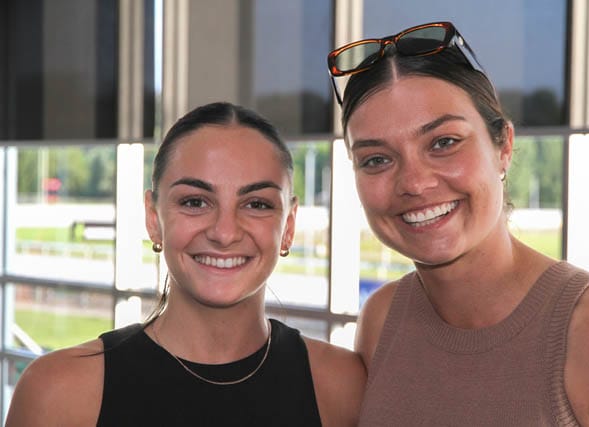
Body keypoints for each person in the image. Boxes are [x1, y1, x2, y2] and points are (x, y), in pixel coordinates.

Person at [327, 21, 589, 426]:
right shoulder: (383, 318)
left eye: (444, 143)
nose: (415, 183)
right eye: (376, 159)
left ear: (503, 146)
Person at [6, 102, 366, 426]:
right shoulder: (59, 393)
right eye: (195, 202)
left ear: (288, 226)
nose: (224, 233)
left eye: (257, 204)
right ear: (153, 219)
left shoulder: (342, 385)